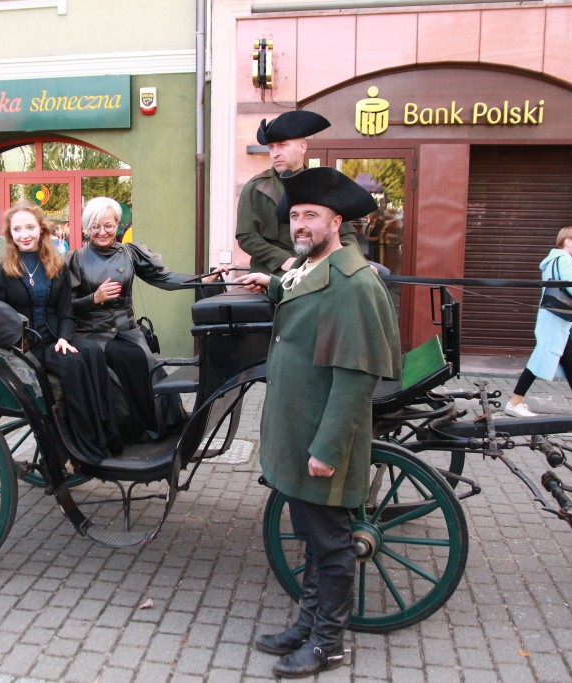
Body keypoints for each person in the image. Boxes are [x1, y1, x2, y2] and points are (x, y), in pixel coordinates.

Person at [236, 167, 401, 678]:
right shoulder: (311, 268)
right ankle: (307, 623)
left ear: (336, 221)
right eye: (294, 216)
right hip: (298, 426)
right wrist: (269, 281)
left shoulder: (352, 283)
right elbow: (293, 295)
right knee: (308, 535)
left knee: (330, 545)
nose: (300, 225)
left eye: (311, 215)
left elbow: (356, 380)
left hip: (321, 437)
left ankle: (328, 642)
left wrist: (328, 450)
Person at [68, 196, 223, 441]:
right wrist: (93, 299)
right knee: (131, 358)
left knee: (147, 360)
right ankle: (141, 429)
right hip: (92, 333)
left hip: (127, 330)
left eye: (108, 225)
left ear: (118, 224)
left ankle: (165, 423)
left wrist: (200, 280)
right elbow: (65, 307)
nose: (102, 231)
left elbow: (163, 278)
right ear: (87, 228)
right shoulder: (75, 260)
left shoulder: (130, 254)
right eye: (95, 226)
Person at [0, 201, 122, 462]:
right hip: (24, 346)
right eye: (17, 229)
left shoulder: (56, 266)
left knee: (92, 352)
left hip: (55, 339)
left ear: (41, 230)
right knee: (75, 364)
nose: (24, 235)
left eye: (30, 227)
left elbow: (66, 312)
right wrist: (18, 344)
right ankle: (82, 445)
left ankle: (107, 434)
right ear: (10, 234)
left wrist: (63, 338)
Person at [504, 226, 572, 417]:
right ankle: (514, 402)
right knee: (540, 359)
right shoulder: (564, 259)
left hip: (556, 318)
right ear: (568, 241)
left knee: (570, 362)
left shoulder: (554, 258)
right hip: (556, 320)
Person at [236, 110, 360, 276]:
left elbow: (346, 235)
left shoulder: (322, 185)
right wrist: (283, 260)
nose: (275, 153)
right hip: (275, 273)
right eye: (271, 147)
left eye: (282, 145)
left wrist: (355, 263)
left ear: (303, 147)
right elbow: (246, 236)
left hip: (321, 269)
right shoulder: (257, 187)